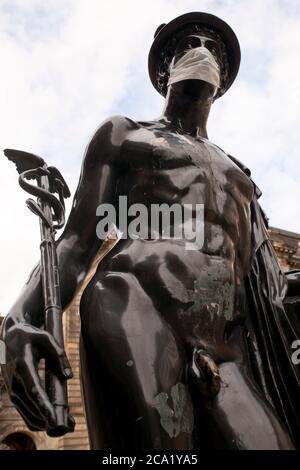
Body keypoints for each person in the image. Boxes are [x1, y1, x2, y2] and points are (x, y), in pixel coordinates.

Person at [1, 12, 299, 450]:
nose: (201, 51)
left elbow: (272, 289)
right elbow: (75, 245)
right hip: (134, 303)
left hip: (226, 349)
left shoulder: (241, 178)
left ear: (224, 76)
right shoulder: (126, 135)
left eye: (212, 47)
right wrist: (18, 320)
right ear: (165, 70)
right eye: (187, 44)